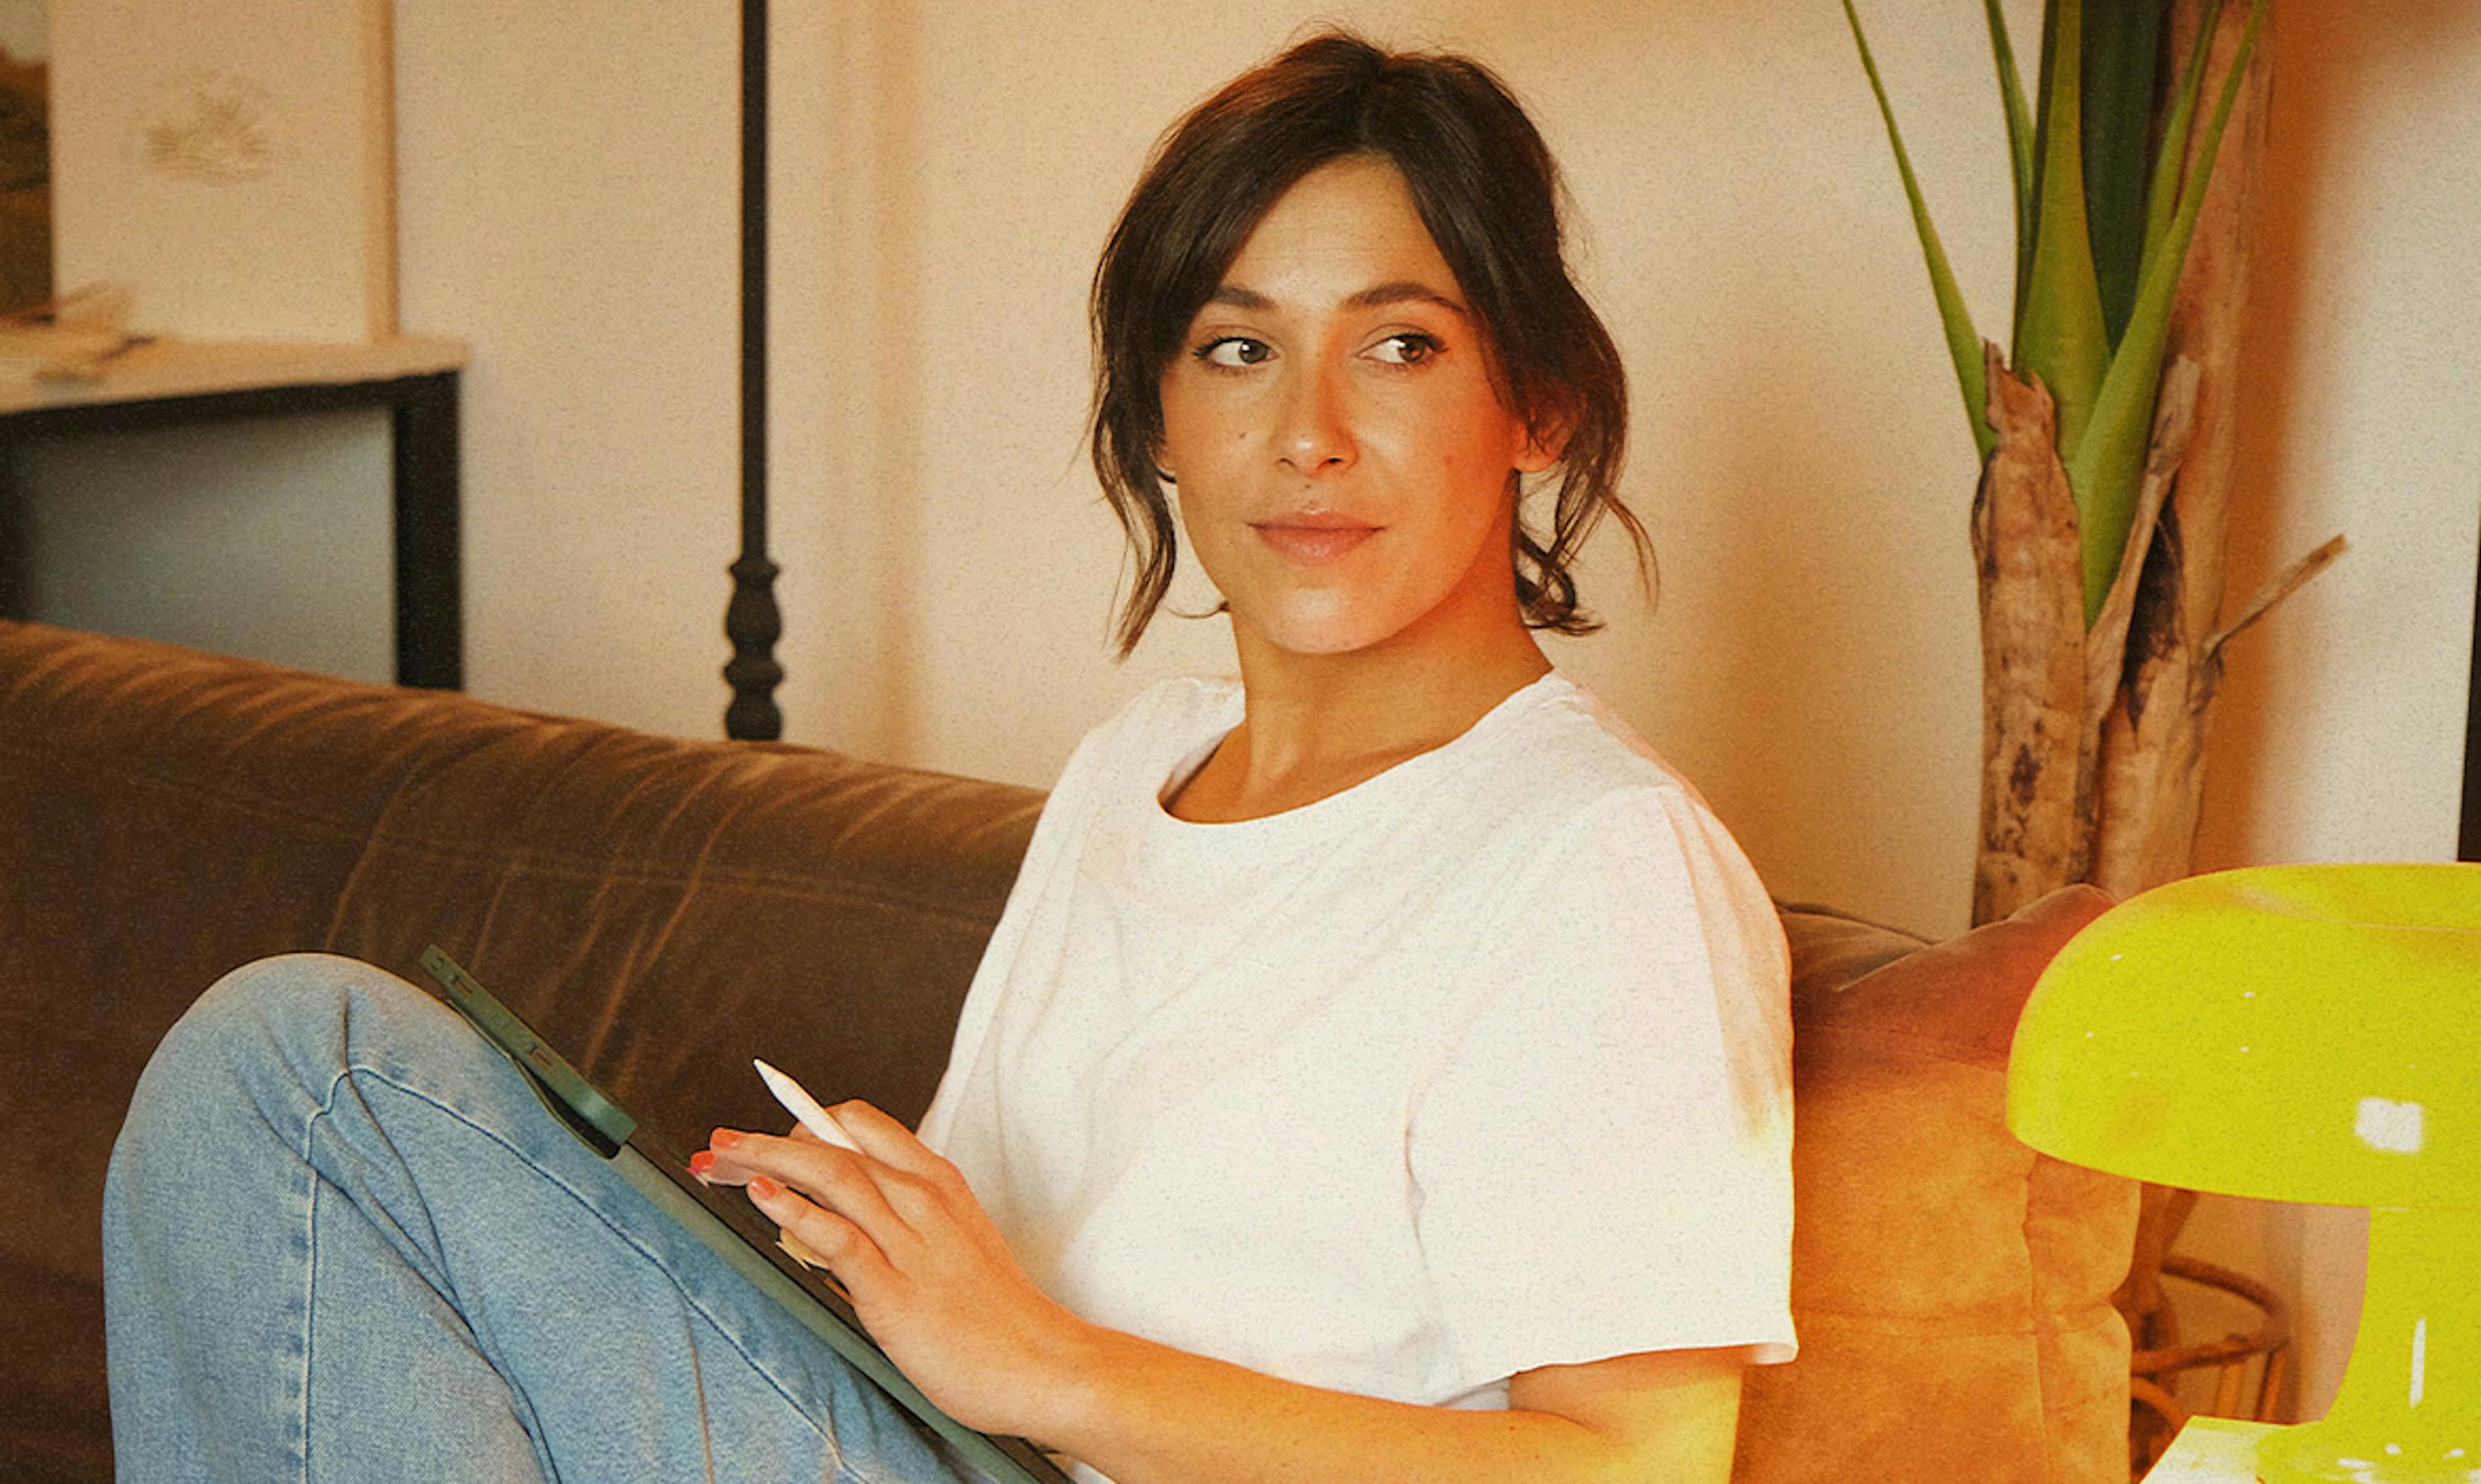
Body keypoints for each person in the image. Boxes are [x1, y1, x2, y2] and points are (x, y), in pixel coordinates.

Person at [102, 31, 1793, 1484]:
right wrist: (867, 1248)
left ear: (1539, 400)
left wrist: (1045, 1367)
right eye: (1238, 346)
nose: (1308, 433)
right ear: (1161, 418)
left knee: (308, 1065)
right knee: (297, 1080)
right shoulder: (1140, 764)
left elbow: (1634, 1465)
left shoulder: (1592, 852)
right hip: (942, 1444)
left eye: (1401, 343)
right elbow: (982, 1318)